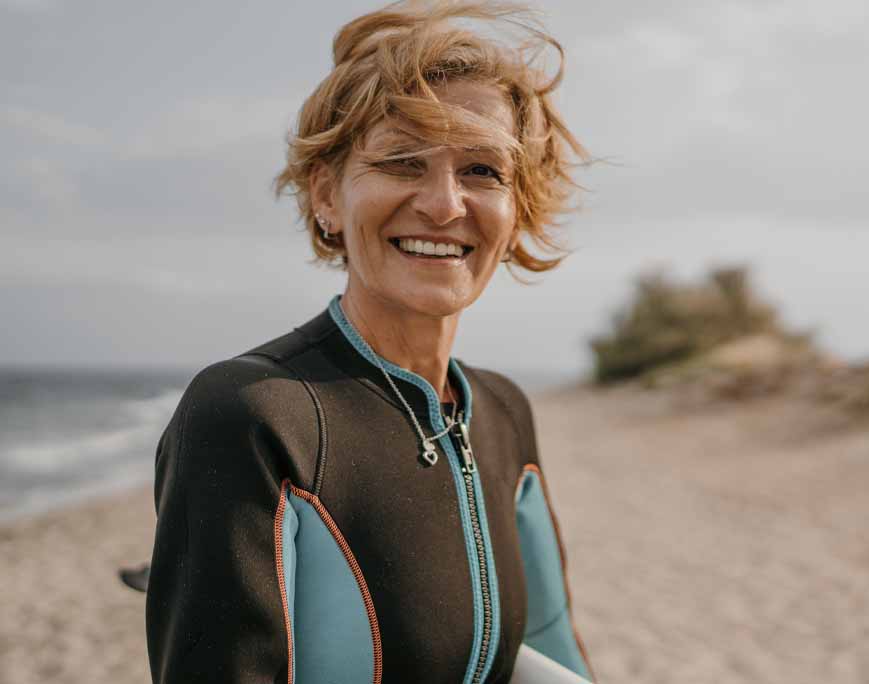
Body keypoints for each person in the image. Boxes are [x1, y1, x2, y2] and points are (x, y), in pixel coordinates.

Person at [145, 1, 594, 682]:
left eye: (483, 170)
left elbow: (553, 650)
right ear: (327, 196)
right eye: (403, 162)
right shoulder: (253, 414)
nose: (445, 205)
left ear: (517, 208)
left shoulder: (501, 412)